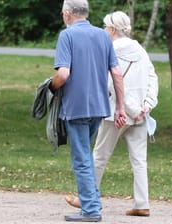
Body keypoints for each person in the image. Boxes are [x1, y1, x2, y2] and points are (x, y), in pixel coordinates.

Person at [65, 11, 159, 217]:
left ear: (112, 29)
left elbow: (108, 81)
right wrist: (147, 105)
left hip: (115, 113)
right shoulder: (140, 50)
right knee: (139, 160)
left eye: (106, 26)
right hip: (140, 114)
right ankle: (142, 203)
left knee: (99, 156)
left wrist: (121, 107)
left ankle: (86, 198)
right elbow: (152, 77)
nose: (104, 30)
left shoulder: (108, 48)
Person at [51, 1, 127, 222]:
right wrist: (120, 107)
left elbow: (63, 74)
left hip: (76, 107)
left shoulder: (67, 36)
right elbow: (117, 73)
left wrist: (50, 87)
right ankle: (92, 201)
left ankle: (91, 209)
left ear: (67, 14)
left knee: (82, 158)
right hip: (99, 107)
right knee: (86, 155)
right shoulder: (103, 36)